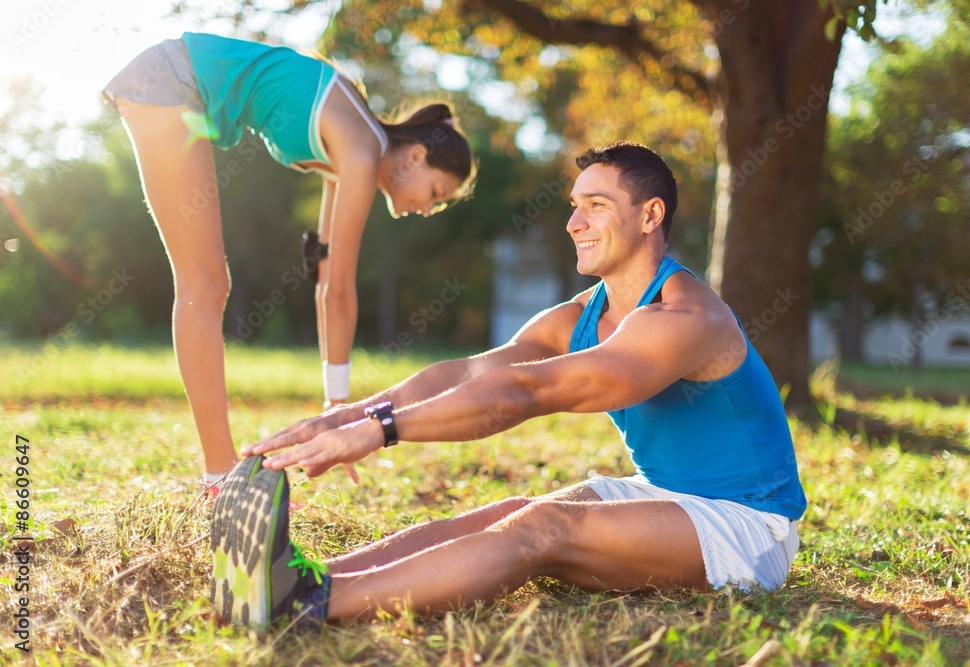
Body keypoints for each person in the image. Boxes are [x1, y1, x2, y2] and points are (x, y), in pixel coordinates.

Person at [209, 141, 806, 631]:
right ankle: (295, 574)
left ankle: (310, 604)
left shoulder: (686, 318)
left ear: (650, 215)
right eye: (574, 205)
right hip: (662, 494)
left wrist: (380, 432)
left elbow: (527, 392)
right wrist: (344, 418)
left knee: (541, 530)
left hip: (746, 526)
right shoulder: (580, 317)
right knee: (515, 509)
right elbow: (472, 372)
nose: (575, 222)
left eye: (596, 205)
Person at [102, 33, 476, 493]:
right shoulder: (361, 152)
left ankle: (220, 477)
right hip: (172, 83)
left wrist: (334, 407)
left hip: (172, 82)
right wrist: (337, 412)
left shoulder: (355, 147)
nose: (427, 209)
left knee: (208, 283)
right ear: (418, 156)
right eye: (436, 194)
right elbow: (338, 291)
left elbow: (325, 281)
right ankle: (221, 480)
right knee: (204, 284)